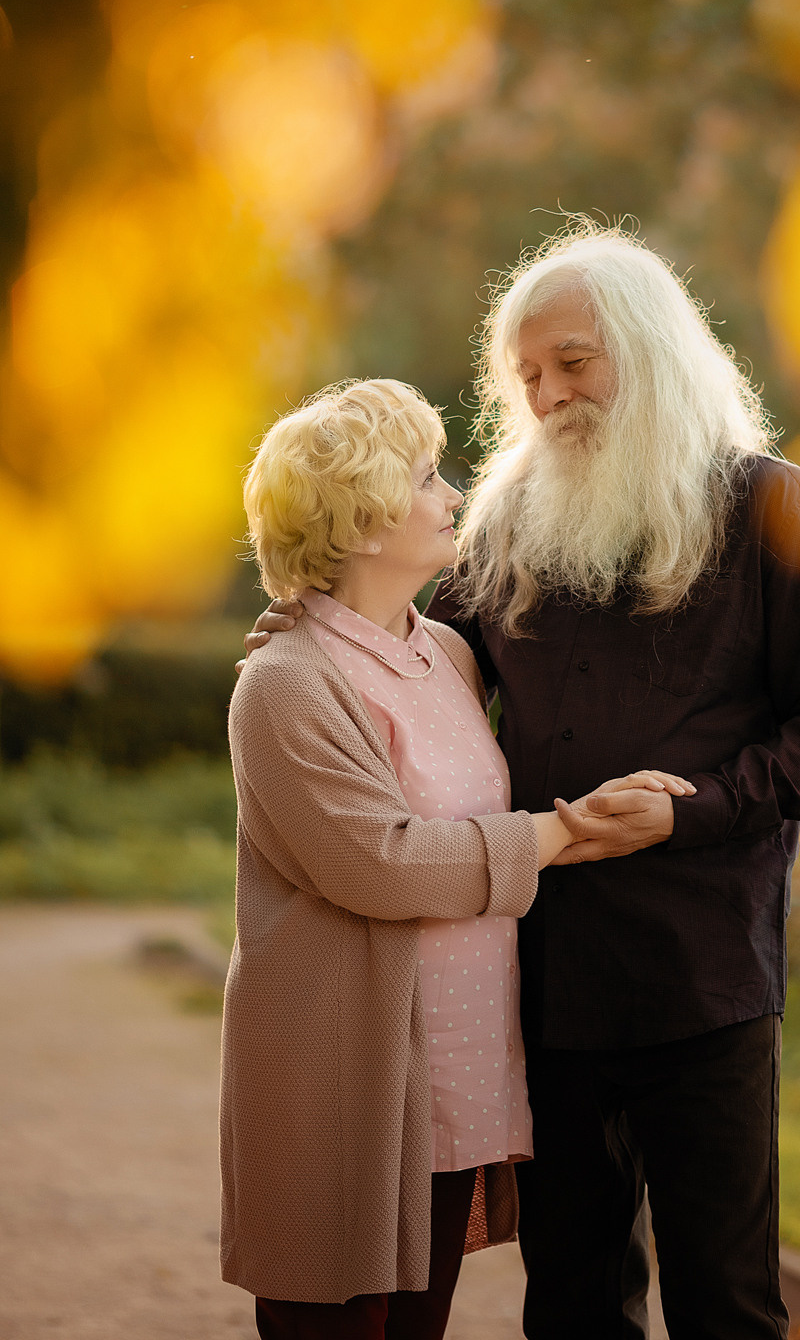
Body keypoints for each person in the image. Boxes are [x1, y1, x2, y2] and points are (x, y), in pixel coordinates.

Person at [247, 225, 800, 1340]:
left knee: (726, 1300)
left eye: (572, 363)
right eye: (528, 375)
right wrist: (300, 622)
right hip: (545, 983)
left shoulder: (782, 511)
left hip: (706, 977)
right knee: (575, 1302)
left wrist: (700, 807)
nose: (547, 396)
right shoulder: (499, 532)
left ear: (647, 350)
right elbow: (387, 650)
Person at [225, 376, 693, 1340]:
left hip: (454, 1074)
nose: (453, 496)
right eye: (427, 477)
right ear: (357, 520)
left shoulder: (446, 652)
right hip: (348, 1072)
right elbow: (379, 864)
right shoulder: (284, 683)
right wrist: (564, 833)